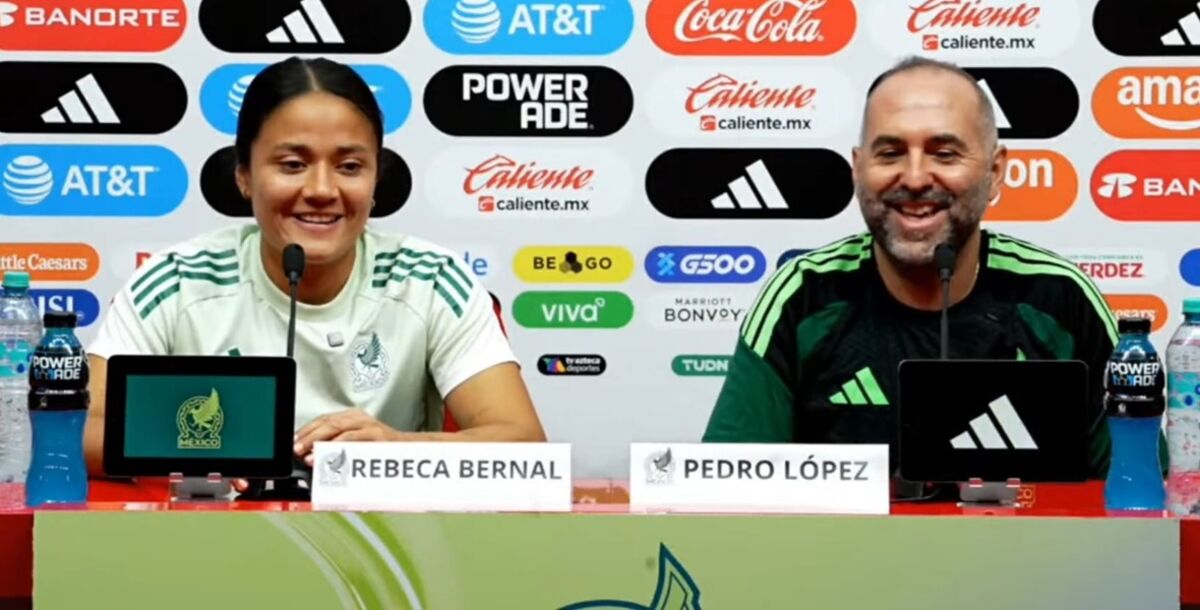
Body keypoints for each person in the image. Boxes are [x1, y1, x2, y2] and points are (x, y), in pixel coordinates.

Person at [83, 56, 547, 476]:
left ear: (375, 179)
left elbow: (523, 443)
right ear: (243, 174)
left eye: (349, 166)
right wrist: (210, 454)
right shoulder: (177, 281)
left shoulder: (429, 279)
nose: (323, 189)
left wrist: (399, 449)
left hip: (383, 549)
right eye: (292, 164)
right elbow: (79, 431)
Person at [702, 56, 1122, 478]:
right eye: (890, 153)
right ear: (857, 169)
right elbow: (727, 497)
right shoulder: (801, 297)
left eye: (943, 153)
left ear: (995, 172)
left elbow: (1137, 502)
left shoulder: (1061, 299)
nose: (916, 177)